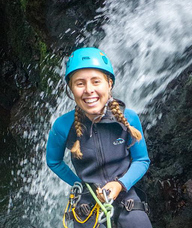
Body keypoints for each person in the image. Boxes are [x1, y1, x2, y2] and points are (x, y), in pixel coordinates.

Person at [46, 47, 152, 228]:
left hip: (125, 195)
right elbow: (53, 162)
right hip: (87, 201)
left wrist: (120, 185)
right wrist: (81, 185)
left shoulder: (129, 118)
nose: (88, 90)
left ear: (109, 84)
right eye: (80, 84)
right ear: (71, 88)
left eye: (96, 82)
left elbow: (142, 159)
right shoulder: (63, 126)